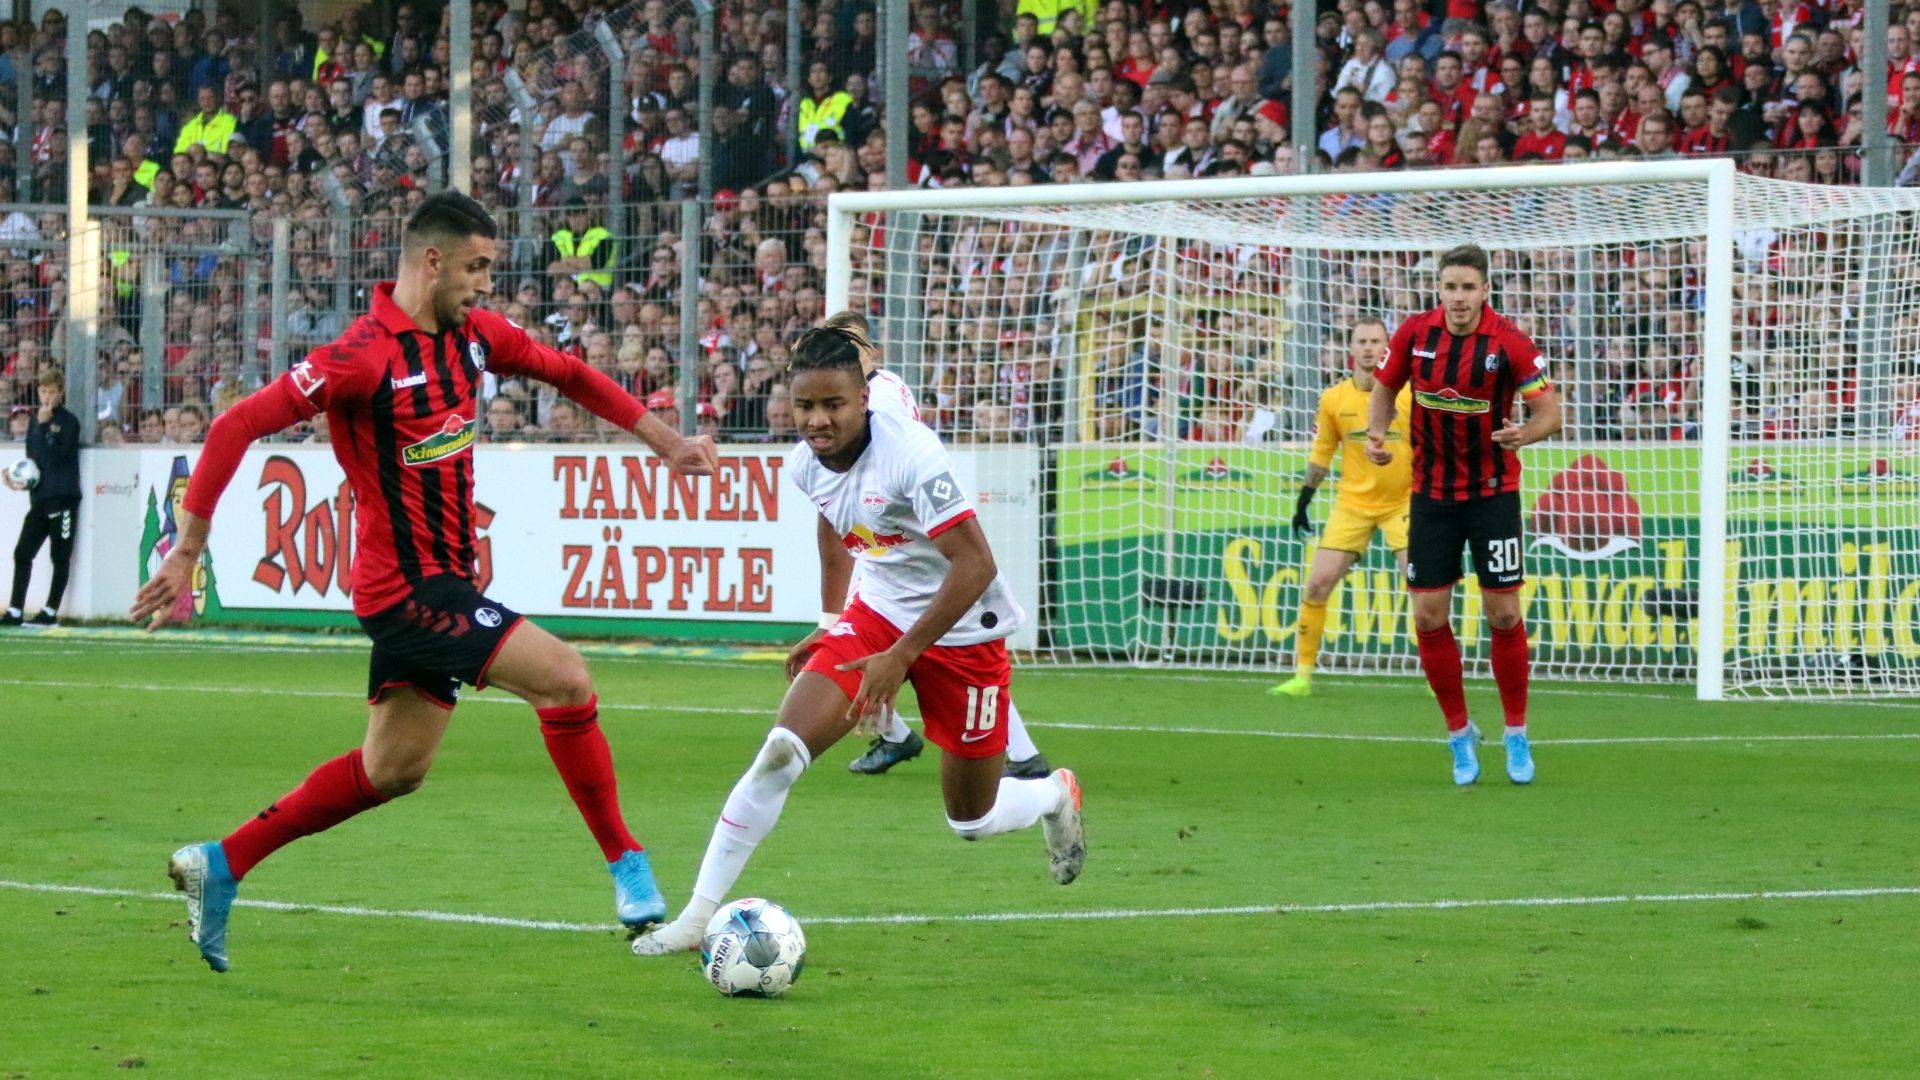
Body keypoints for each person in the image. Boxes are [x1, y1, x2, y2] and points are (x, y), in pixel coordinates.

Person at [131, 192, 720, 974]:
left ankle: (224, 861)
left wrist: (665, 440)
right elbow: (238, 424)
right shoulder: (360, 355)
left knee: (392, 772)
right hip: (407, 593)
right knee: (568, 681)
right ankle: (627, 862)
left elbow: (569, 372)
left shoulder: (476, 337)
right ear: (432, 261)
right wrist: (186, 550)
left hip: (437, 586)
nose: (485, 284)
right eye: (476, 267)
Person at [630, 327, 1085, 956]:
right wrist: (828, 619)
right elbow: (834, 522)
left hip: (962, 628)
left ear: (862, 399)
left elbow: (974, 564)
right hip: (875, 613)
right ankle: (695, 918)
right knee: (779, 754)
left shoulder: (913, 456)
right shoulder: (801, 463)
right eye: (805, 407)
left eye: (833, 405)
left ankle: (1054, 792)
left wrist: (902, 657)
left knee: (971, 821)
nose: (817, 421)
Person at [818, 310, 1052, 781]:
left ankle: (1019, 756)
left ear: (872, 354)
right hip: (883, 534)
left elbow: (893, 467)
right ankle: (900, 734)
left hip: (906, 539)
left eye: (853, 343)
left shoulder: (878, 397)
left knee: (961, 650)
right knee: (859, 645)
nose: (844, 352)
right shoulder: (853, 397)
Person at [1366, 244, 1562, 786]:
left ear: (1485, 292)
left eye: (1468, 288)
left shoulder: (1509, 343)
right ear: (1440, 289)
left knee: (1502, 613)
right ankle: (1458, 734)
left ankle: (1516, 732)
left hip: (1493, 493)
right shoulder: (1413, 335)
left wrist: (1525, 432)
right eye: (1450, 287)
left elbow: (1550, 410)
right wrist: (1378, 434)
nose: (1458, 298)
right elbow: (1383, 389)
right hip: (1431, 494)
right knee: (1428, 615)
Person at [1269, 318, 1412, 697]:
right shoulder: (1334, 399)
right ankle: (1301, 677)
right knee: (1317, 584)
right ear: (1351, 349)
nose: (1368, 348)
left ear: (1388, 348)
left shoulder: (1409, 395)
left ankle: (1437, 677)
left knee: (1423, 587)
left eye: (1376, 341)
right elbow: (1322, 454)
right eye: (1362, 341)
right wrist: (1303, 502)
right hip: (1353, 503)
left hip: (1404, 502)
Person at [3, 367, 82, 627]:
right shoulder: (35, 422)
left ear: (61, 393)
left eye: (51, 392)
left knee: (59, 556)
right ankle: (15, 610)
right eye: (43, 391)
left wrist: (48, 425)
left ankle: (50, 611)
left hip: (63, 499)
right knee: (22, 552)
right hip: (40, 499)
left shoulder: (68, 422)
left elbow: (60, 455)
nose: (46, 397)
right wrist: (15, 475)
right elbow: (35, 462)